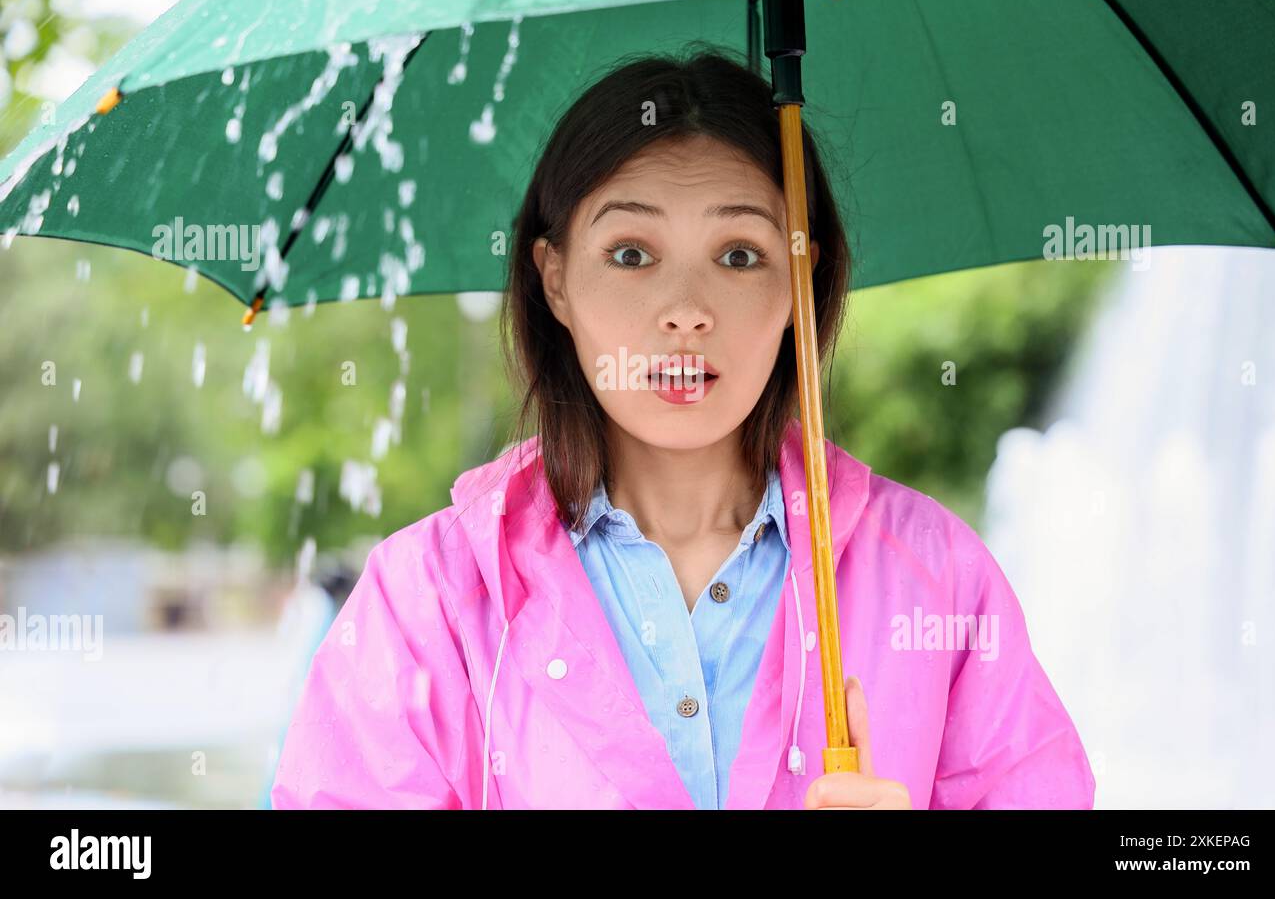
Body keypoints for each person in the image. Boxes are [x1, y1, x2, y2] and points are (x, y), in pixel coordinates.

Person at [270, 47, 1095, 810]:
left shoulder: (940, 582)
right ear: (554, 279)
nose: (687, 312)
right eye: (631, 253)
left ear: (801, 284)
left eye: (740, 255)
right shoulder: (431, 602)